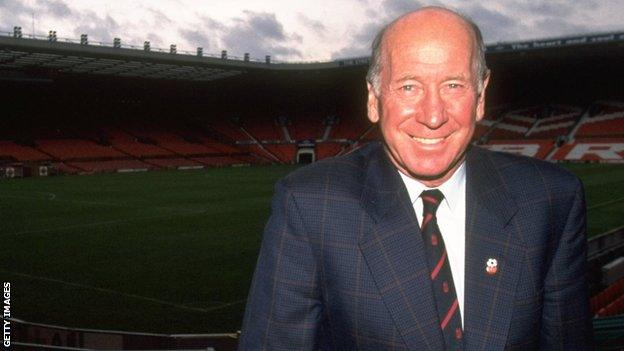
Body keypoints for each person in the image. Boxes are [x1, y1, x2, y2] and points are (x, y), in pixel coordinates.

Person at [239, 6, 591, 350]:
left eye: (453, 85)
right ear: (374, 99)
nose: (433, 115)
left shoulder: (550, 201)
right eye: (409, 87)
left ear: (481, 96)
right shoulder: (310, 206)